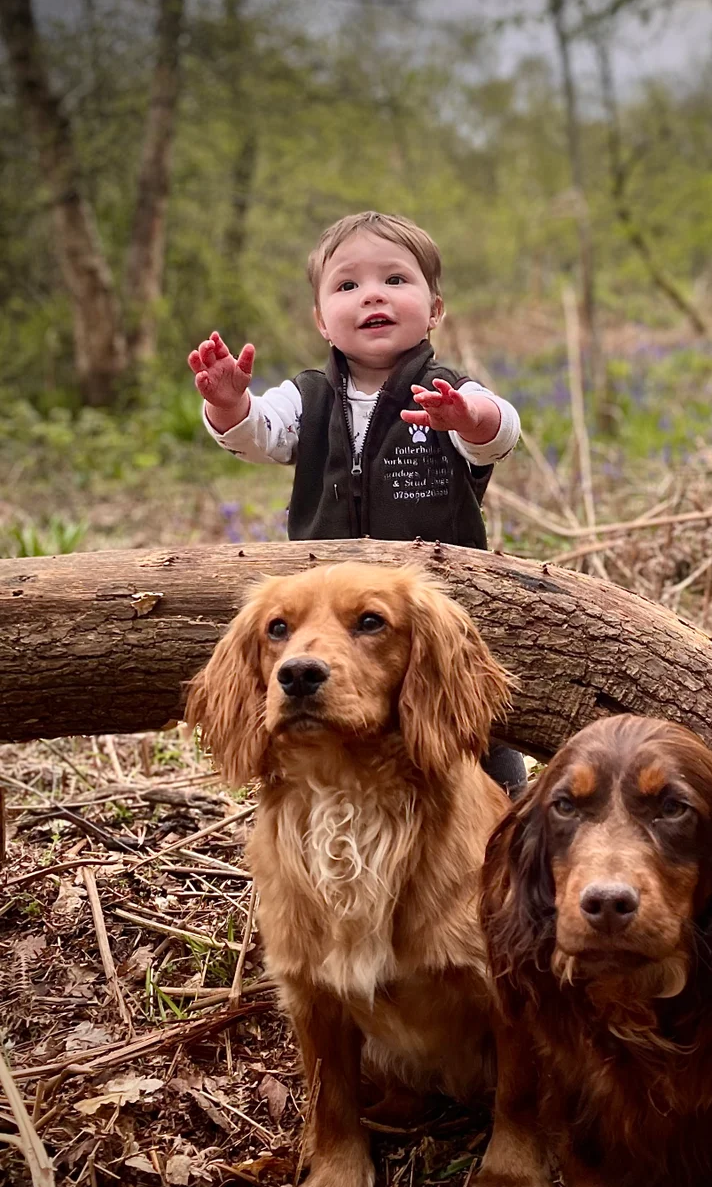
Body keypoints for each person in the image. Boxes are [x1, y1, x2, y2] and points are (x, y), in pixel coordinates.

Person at [188, 209, 527, 796]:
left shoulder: (444, 389)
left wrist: (467, 418)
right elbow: (260, 434)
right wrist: (228, 406)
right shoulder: (308, 396)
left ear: (435, 308)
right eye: (348, 286)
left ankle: (507, 804)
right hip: (328, 605)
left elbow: (502, 433)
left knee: (473, 724)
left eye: (396, 281)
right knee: (331, 708)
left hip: (437, 611)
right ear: (322, 320)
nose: (373, 296)